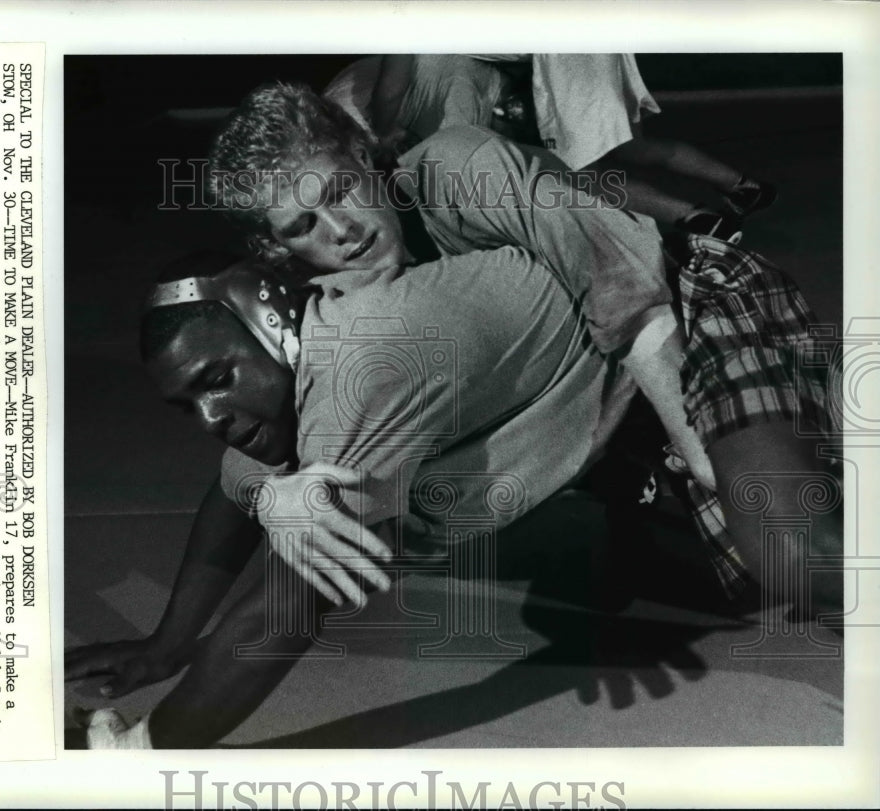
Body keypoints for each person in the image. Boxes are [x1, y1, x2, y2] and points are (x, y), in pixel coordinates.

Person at [207, 82, 840, 613]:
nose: (342, 231)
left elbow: (629, 297)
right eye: (303, 226)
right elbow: (269, 418)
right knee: (739, 575)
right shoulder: (322, 299)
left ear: (363, 157)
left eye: (340, 190)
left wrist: (697, 449)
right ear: (278, 250)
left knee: (788, 549)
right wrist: (272, 494)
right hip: (604, 396)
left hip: (683, 304)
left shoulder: (460, 166)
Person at [68, 239, 643, 748]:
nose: (211, 417)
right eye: (188, 404)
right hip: (592, 406)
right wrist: (164, 647)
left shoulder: (361, 366)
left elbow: (292, 600)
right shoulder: (305, 344)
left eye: (217, 381)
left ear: (270, 324)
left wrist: (139, 755)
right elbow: (233, 490)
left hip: (662, 373)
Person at [328, 53, 776, 240]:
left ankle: (693, 219)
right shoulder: (460, 68)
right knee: (631, 149)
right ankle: (740, 186)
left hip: (568, 51)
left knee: (574, 175)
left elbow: (460, 179)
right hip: (584, 43)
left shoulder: (455, 80)